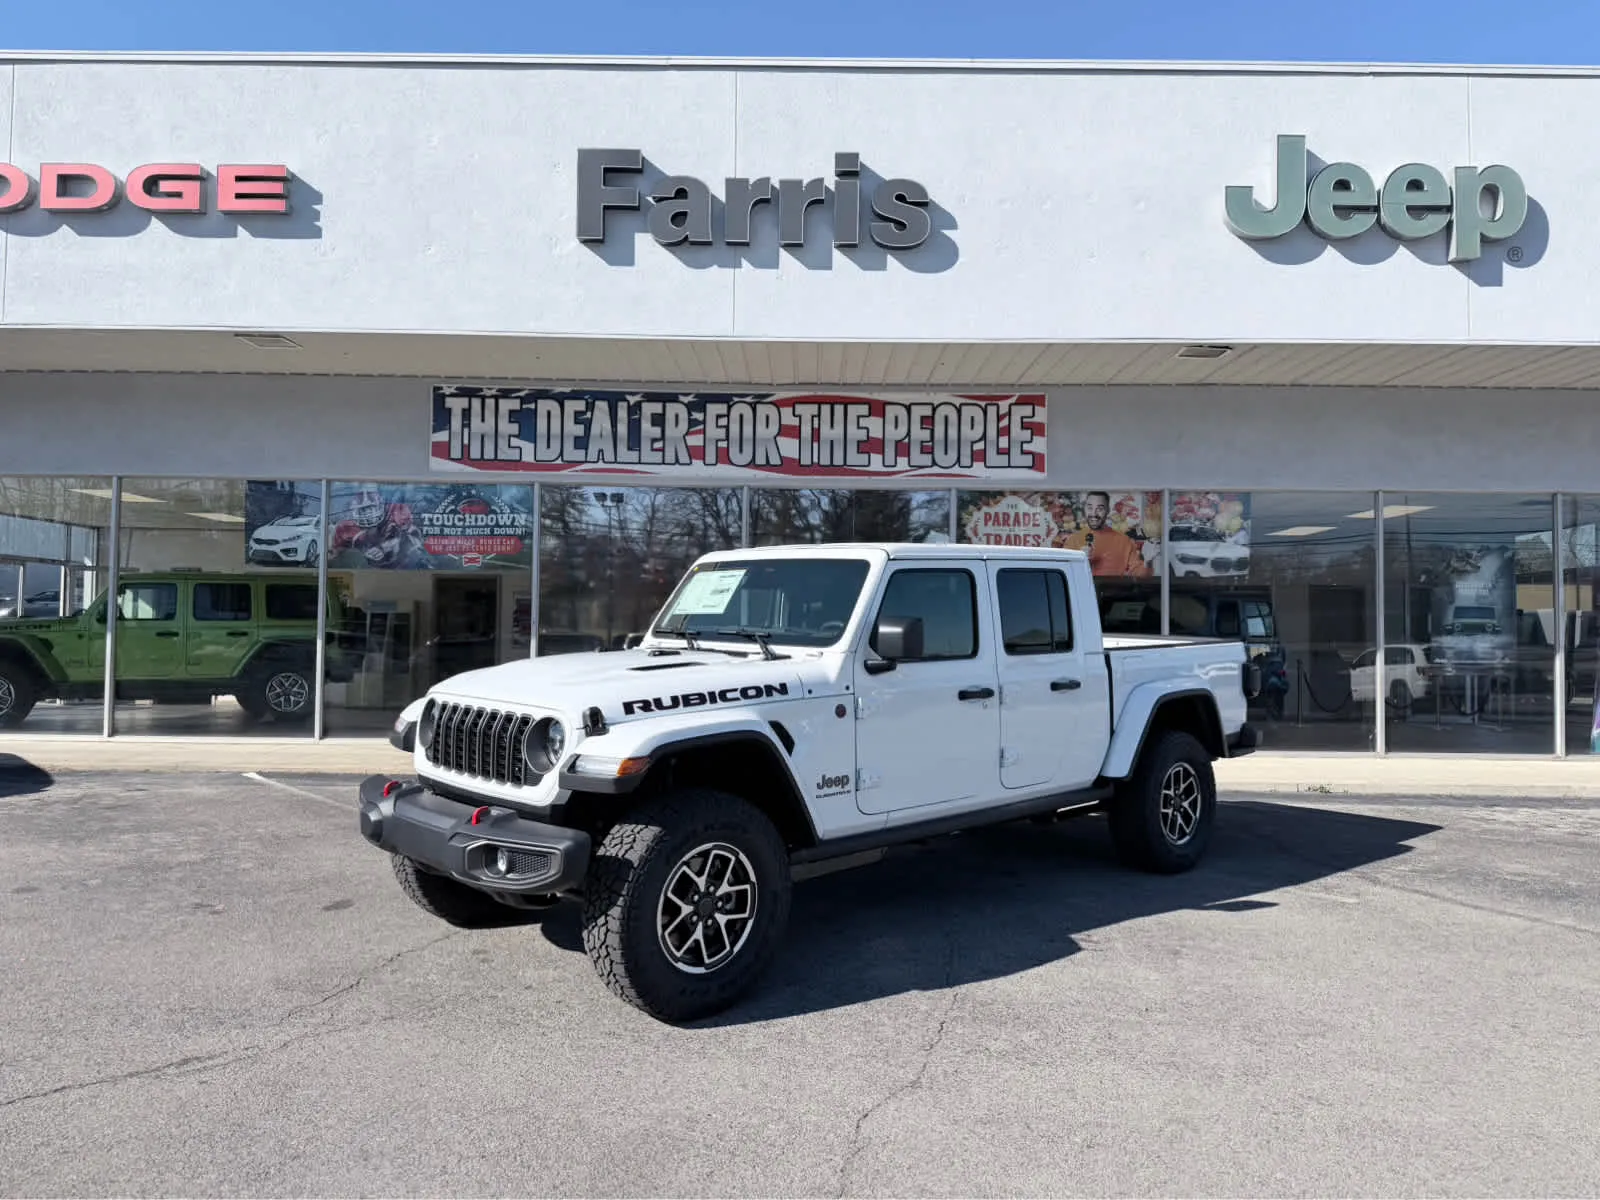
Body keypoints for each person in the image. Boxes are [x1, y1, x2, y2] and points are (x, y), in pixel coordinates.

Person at [1061, 491, 1151, 578]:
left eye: (1100, 509)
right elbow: (1063, 574)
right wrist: (1078, 560)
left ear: (1108, 510)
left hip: (1113, 592)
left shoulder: (1124, 541)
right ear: (1084, 509)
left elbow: (1139, 573)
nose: (1094, 513)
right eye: (1090, 508)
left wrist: (1148, 562)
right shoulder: (1072, 541)